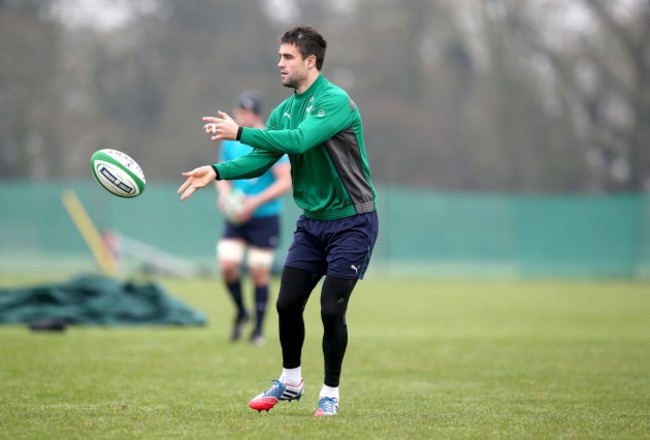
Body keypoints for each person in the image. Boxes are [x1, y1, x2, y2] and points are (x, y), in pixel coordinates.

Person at [178, 26, 378, 417]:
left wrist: (240, 131)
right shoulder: (282, 111)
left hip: (352, 221)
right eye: (280, 56)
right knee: (286, 304)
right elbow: (262, 159)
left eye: (287, 57)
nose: (279, 63)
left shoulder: (335, 101)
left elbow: (299, 141)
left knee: (331, 311)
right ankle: (290, 382)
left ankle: (330, 394)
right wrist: (216, 172)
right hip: (313, 222)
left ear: (310, 61)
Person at [215, 90, 292, 346]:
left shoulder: (270, 140)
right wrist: (225, 195)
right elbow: (222, 176)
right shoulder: (229, 141)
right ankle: (241, 311)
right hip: (236, 216)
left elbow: (286, 182)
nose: (240, 117)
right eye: (239, 113)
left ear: (256, 115)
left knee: (259, 271)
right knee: (227, 266)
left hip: (264, 217)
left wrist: (255, 202)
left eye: (245, 113)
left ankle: (258, 330)